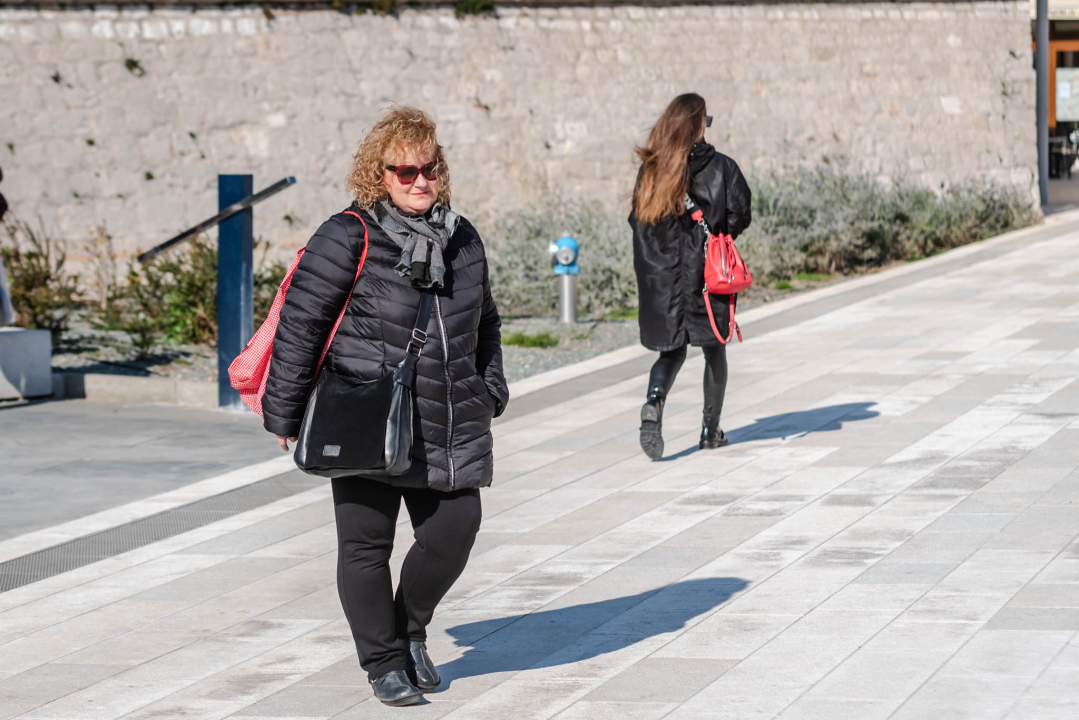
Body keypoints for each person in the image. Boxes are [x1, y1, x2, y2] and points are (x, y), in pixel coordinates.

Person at [261, 107, 508, 706]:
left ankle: (410, 628)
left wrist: (491, 385)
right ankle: (383, 662)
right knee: (367, 546)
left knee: (457, 529)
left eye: (429, 169)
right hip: (366, 413)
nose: (419, 181)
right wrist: (285, 414)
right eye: (404, 171)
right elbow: (300, 325)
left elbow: (488, 320)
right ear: (380, 173)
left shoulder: (463, 237)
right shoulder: (349, 234)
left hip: (447, 416)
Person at [629, 93, 752, 460]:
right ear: (698, 125)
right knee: (714, 349)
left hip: (664, 280)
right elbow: (740, 215)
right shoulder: (721, 167)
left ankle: (654, 402)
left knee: (671, 351)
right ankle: (710, 431)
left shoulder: (651, 171)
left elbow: (638, 224)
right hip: (706, 277)